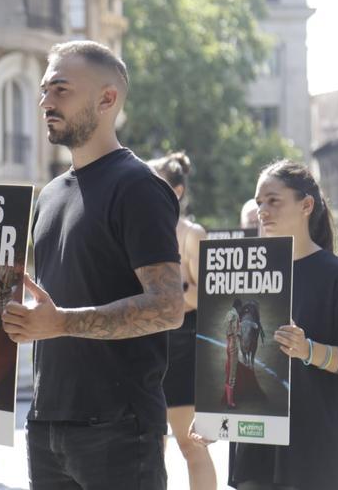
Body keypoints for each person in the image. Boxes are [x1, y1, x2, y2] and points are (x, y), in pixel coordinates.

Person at [0, 40, 184, 489]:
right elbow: (45, 307)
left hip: (118, 427)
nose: (44, 102)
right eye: (43, 91)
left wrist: (61, 323)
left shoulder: (139, 187)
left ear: (106, 99)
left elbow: (167, 306)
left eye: (60, 89)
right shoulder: (51, 194)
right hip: (45, 424)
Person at [191, 160, 338, 490]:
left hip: (316, 454)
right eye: (259, 202)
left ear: (306, 205)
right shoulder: (245, 272)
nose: (263, 210)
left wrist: (308, 350)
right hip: (256, 451)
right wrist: (214, 414)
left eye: (273, 200)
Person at [147, 152, 216, 490]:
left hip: (184, 344)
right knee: (149, 447)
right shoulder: (139, 229)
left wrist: (171, 292)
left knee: (190, 442)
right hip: (146, 341)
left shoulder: (192, 234)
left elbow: (208, 297)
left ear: (174, 191)